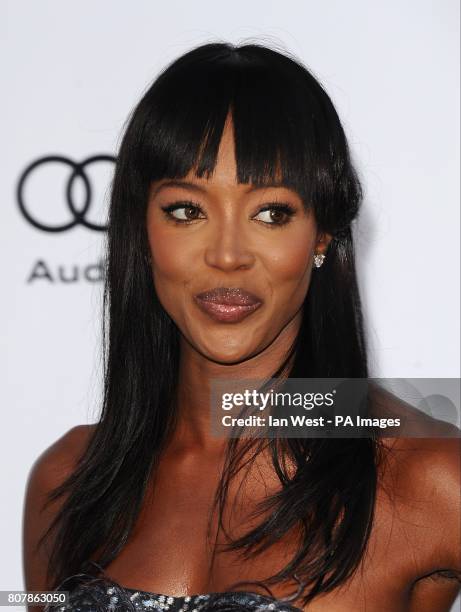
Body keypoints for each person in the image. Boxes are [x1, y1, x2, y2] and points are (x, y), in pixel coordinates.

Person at [23, 42, 461, 612]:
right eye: (187, 210)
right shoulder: (65, 484)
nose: (228, 255)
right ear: (141, 231)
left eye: (272, 213)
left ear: (322, 235)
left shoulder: (429, 477)